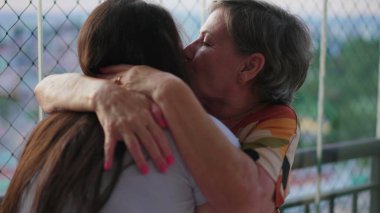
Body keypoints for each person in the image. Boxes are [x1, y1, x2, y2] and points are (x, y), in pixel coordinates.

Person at [34, 0, 312, 212]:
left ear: (249, 67)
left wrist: (170, 90)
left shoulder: (276, 120)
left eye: (206, 42)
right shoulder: (186, 98)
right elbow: (45, 89)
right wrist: (98, 93)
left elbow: (252, 203)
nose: (187, 50)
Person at [0, 0, 240, 212]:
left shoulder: (47, 133)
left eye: (206, 42)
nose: (189, 51)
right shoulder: (200, 135)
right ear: (168, 54)